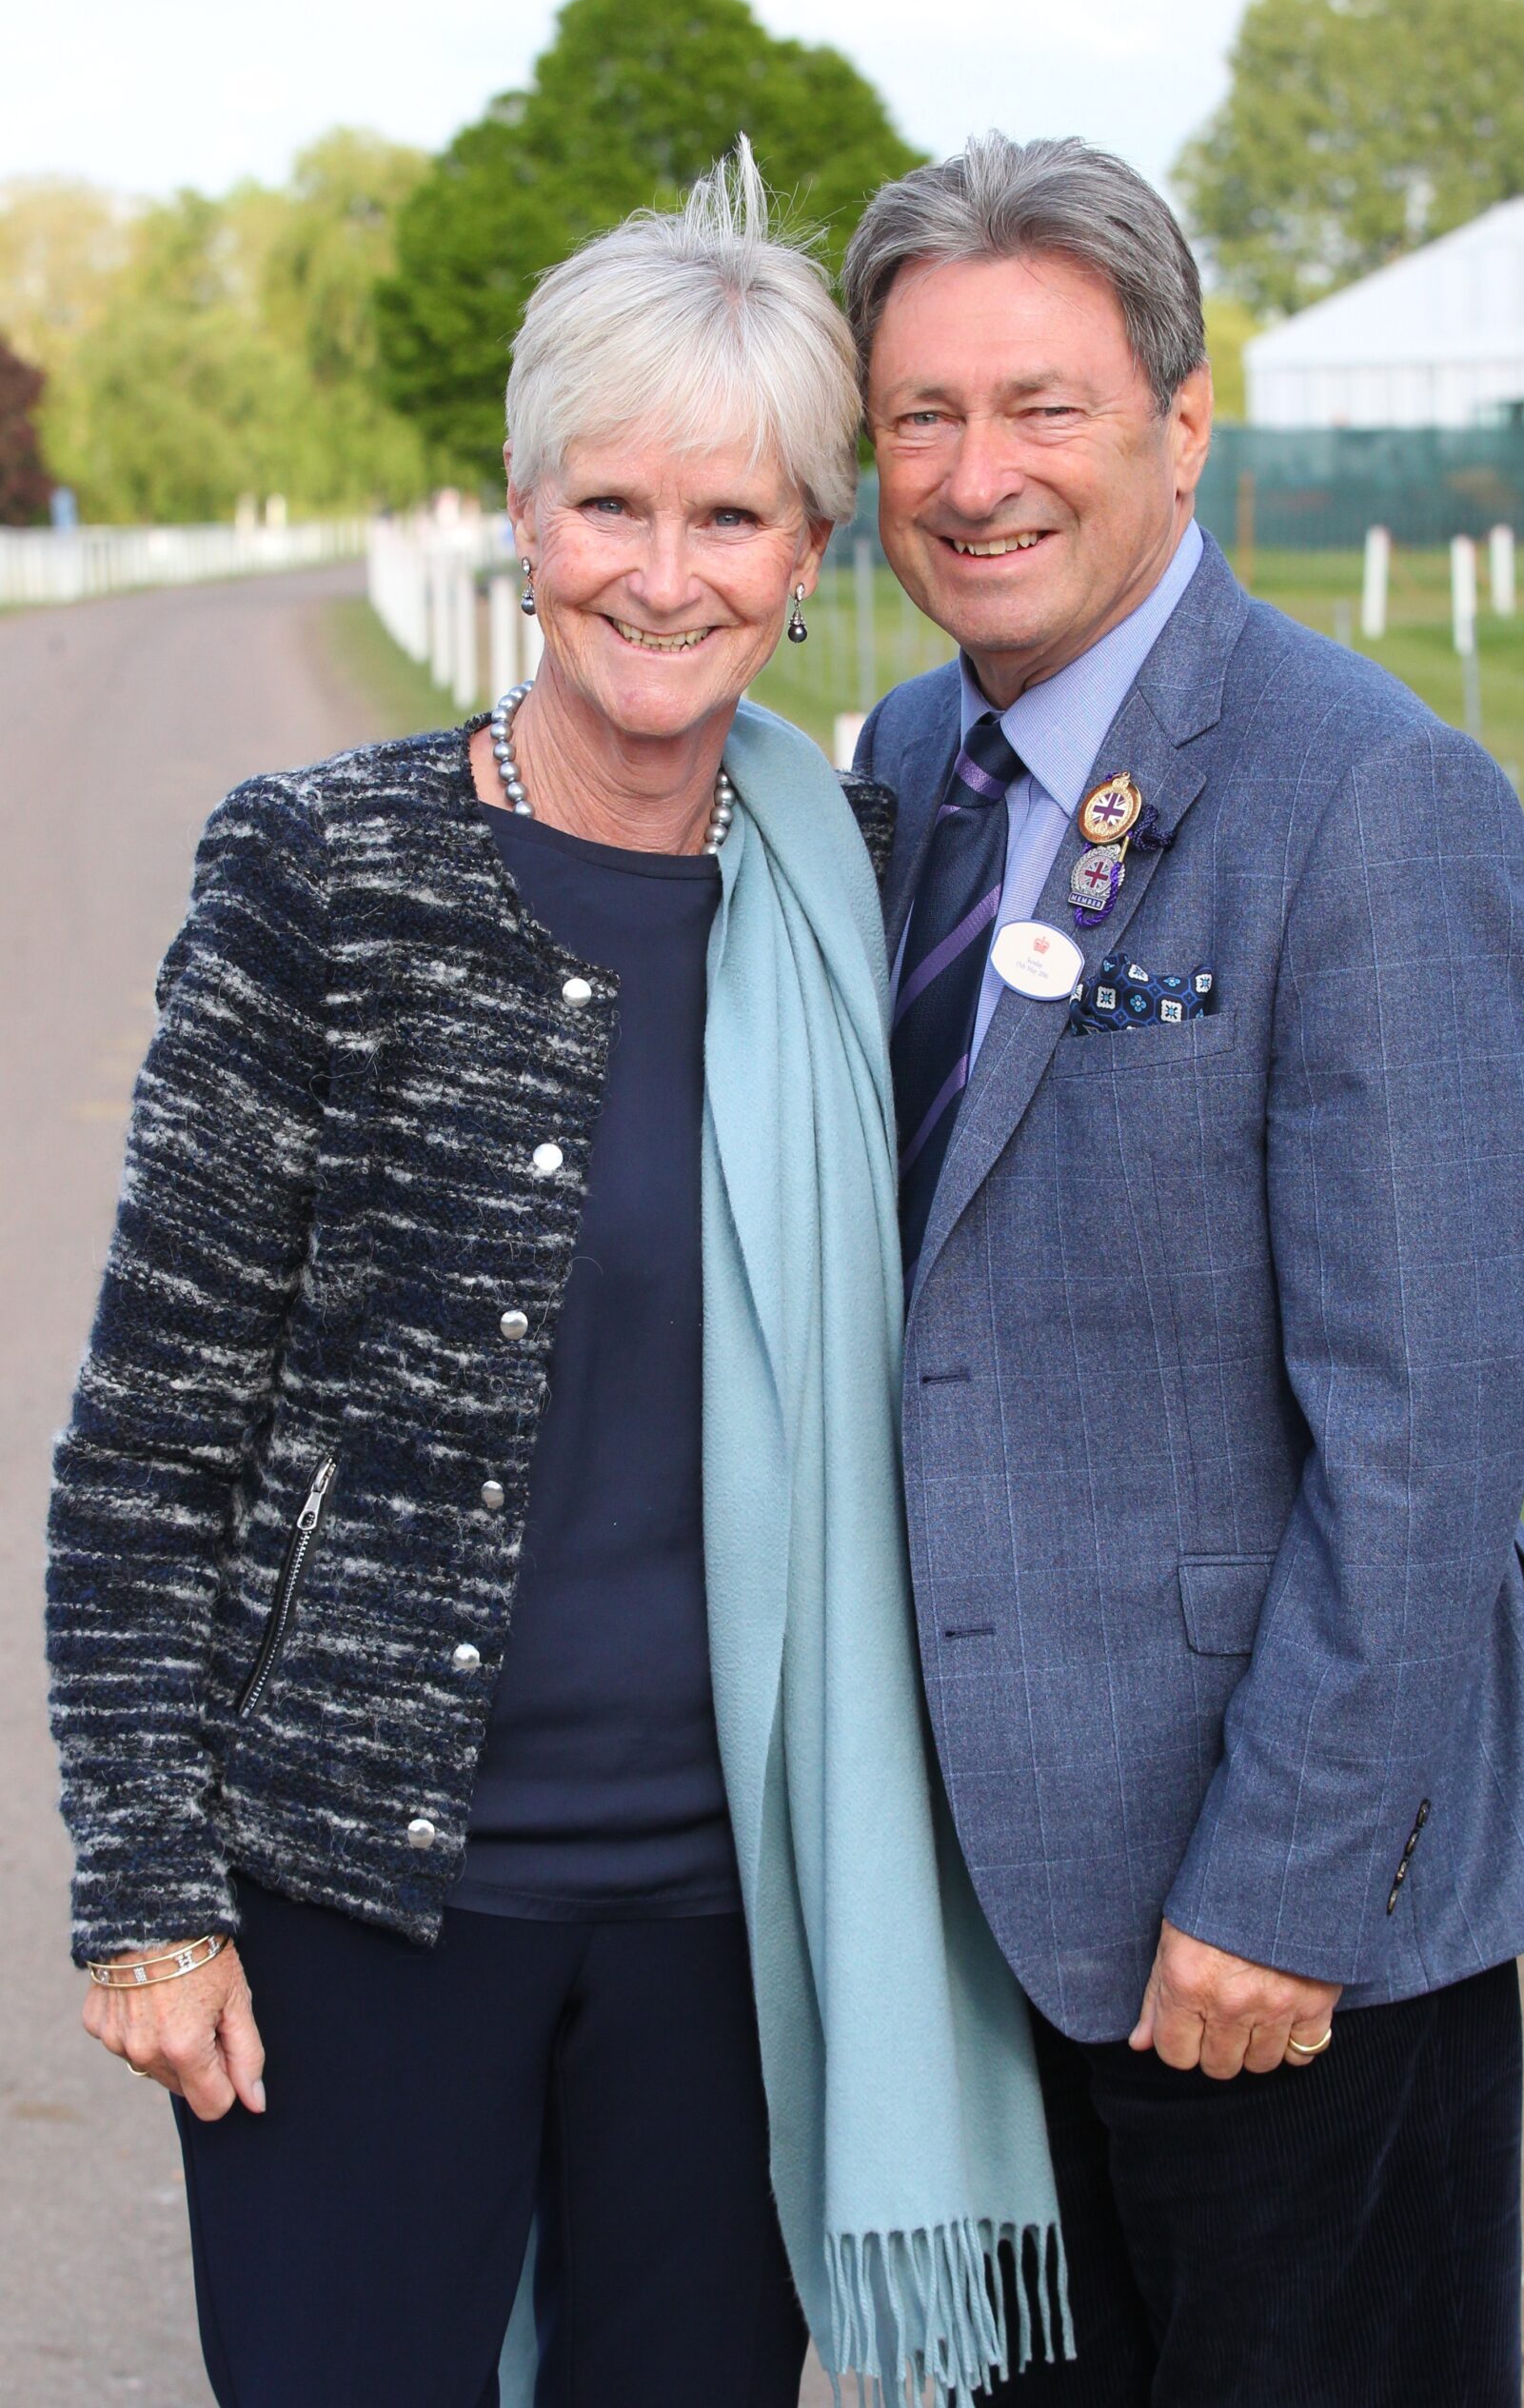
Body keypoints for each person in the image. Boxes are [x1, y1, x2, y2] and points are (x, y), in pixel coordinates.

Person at [46, 148, 1065, 2408]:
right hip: (359, 1895)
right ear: (520, 513)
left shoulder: (868, 888)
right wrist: (144, 1889)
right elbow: (149, 1440)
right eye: (611, 504)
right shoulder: (321, 868)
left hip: (731, 1913)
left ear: (810, 555)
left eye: (730, 519)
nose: (662, 574)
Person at [844, 132, 1524, 2408]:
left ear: (1183, 425)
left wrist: (1275, 1884)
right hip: (984, 1904)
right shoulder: (906, 764)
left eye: (1041, 407)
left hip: (1266, 1911)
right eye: (920, 417)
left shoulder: (1369, 799)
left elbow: (1428, 1423)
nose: (974, 474)